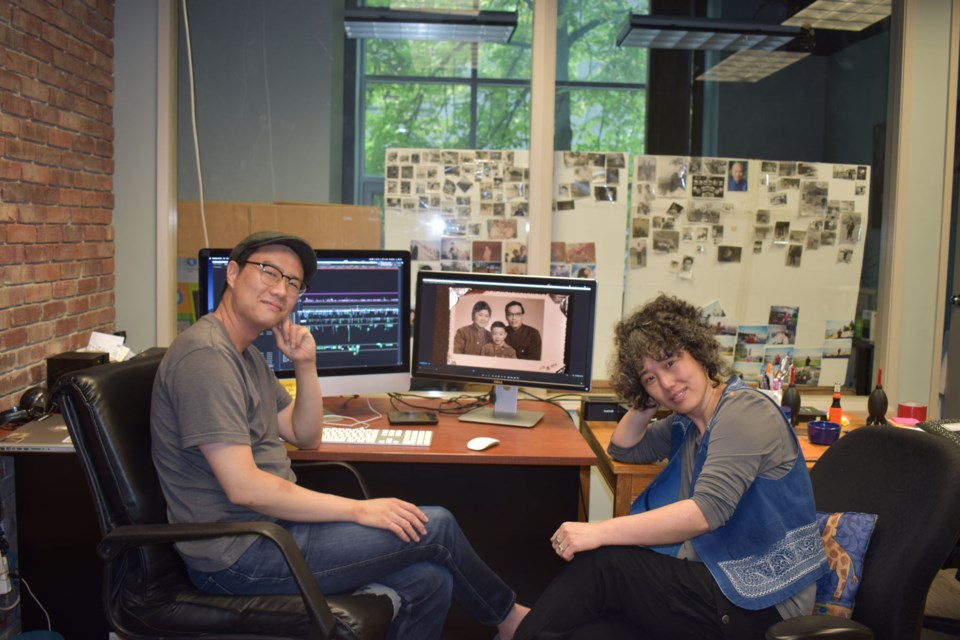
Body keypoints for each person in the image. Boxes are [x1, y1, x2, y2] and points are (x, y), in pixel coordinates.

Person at [151, 231, 529, 640]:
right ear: (233, 272)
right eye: (269, 272)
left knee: (431, 579)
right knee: (434, 525)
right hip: (239, 555)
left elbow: (305, 434)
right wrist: (358, 510)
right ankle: (511, 621)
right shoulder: (207, 357)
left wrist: (306, 365)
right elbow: (244, 488)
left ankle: (508, 619)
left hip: (272, 533)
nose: (281, 289)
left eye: (293, 283)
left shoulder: (245, 354)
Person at [514, 294, 827, 640]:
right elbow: (624, 447)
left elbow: (704, 513)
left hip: (765, 601)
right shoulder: (688, 424)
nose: (666, 382)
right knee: (590, 631)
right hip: (715, 580)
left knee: (603, 566)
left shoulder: (743, 413)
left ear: (698, 353)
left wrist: (598, 531)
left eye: (670, 363)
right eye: (650, 378)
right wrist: (646, 399)